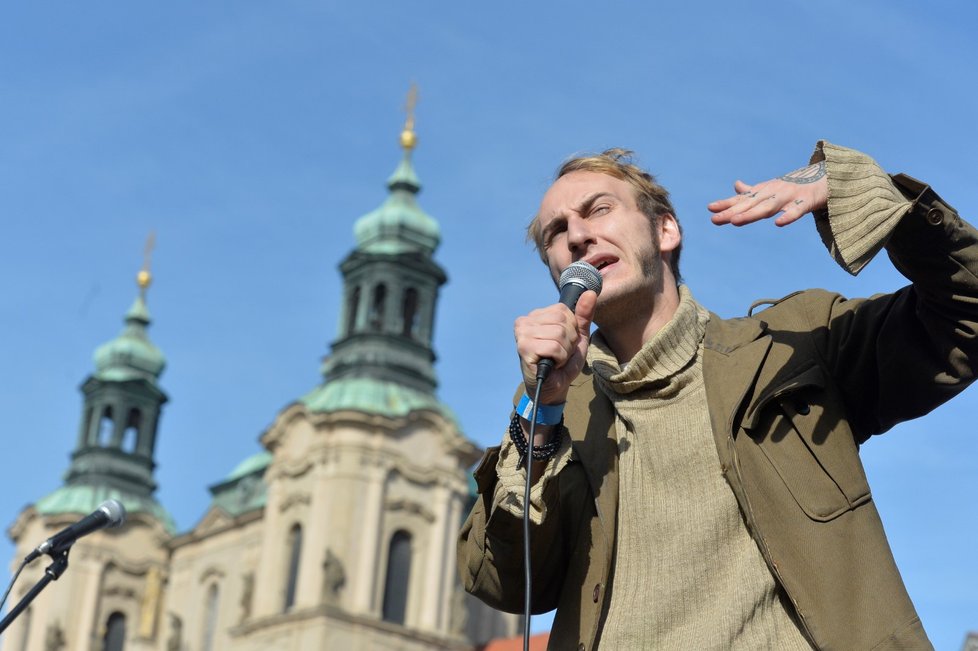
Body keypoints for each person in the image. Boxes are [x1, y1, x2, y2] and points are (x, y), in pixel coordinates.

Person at [457, 141, 978, 650]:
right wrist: (541, 412)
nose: (576, 235)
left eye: (599, 209)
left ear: (665, 230)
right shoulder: (555, 410)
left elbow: (966, 315)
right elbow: (504, 581)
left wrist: (862, 191)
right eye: (556, 232)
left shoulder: (789, 346)